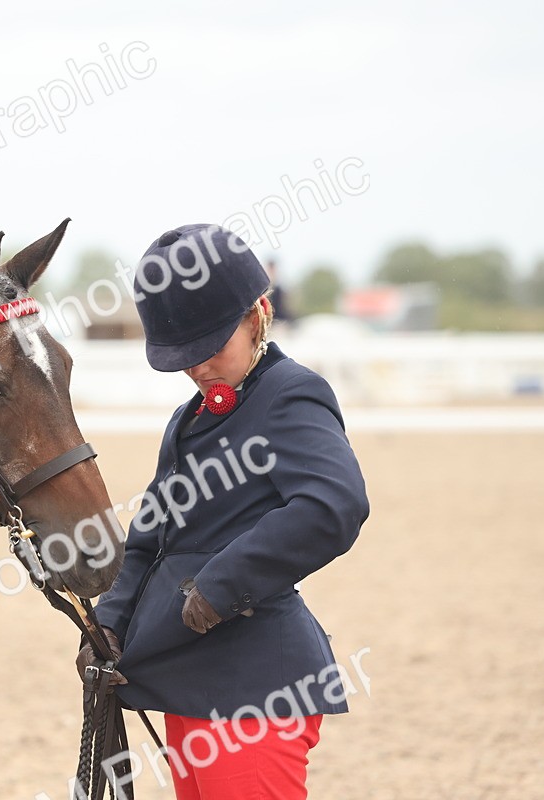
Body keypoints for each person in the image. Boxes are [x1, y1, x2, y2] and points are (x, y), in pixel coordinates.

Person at [79, 224, 369, 798]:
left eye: (212, 349)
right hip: (189, 678)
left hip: (254, 683)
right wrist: (110, 619)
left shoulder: (291, 393)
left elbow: (334, 503)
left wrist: (221, 585)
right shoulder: (189, 420)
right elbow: (150, 537)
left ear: (258, 314)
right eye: (185, 358)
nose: (200, 368)